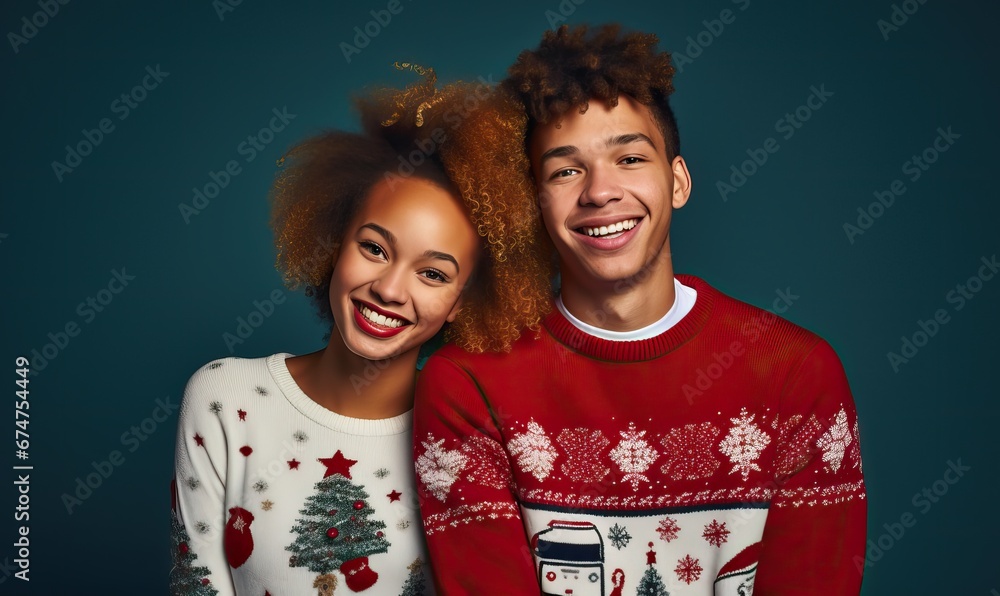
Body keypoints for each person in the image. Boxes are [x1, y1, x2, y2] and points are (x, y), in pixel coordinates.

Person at [413, 25, 866, 594]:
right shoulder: (466, 386)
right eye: (565, 170)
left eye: (629, 157)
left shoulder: (798, 373)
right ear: (534, 203)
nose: (600, 192)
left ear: (677, 182)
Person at [169, 68, 552, 595]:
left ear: (463, 302)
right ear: (335, 241)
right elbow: (197, 582)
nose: (391, 289)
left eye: (433, 273)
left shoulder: (473, 438)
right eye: (374, 248)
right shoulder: (224, 398)